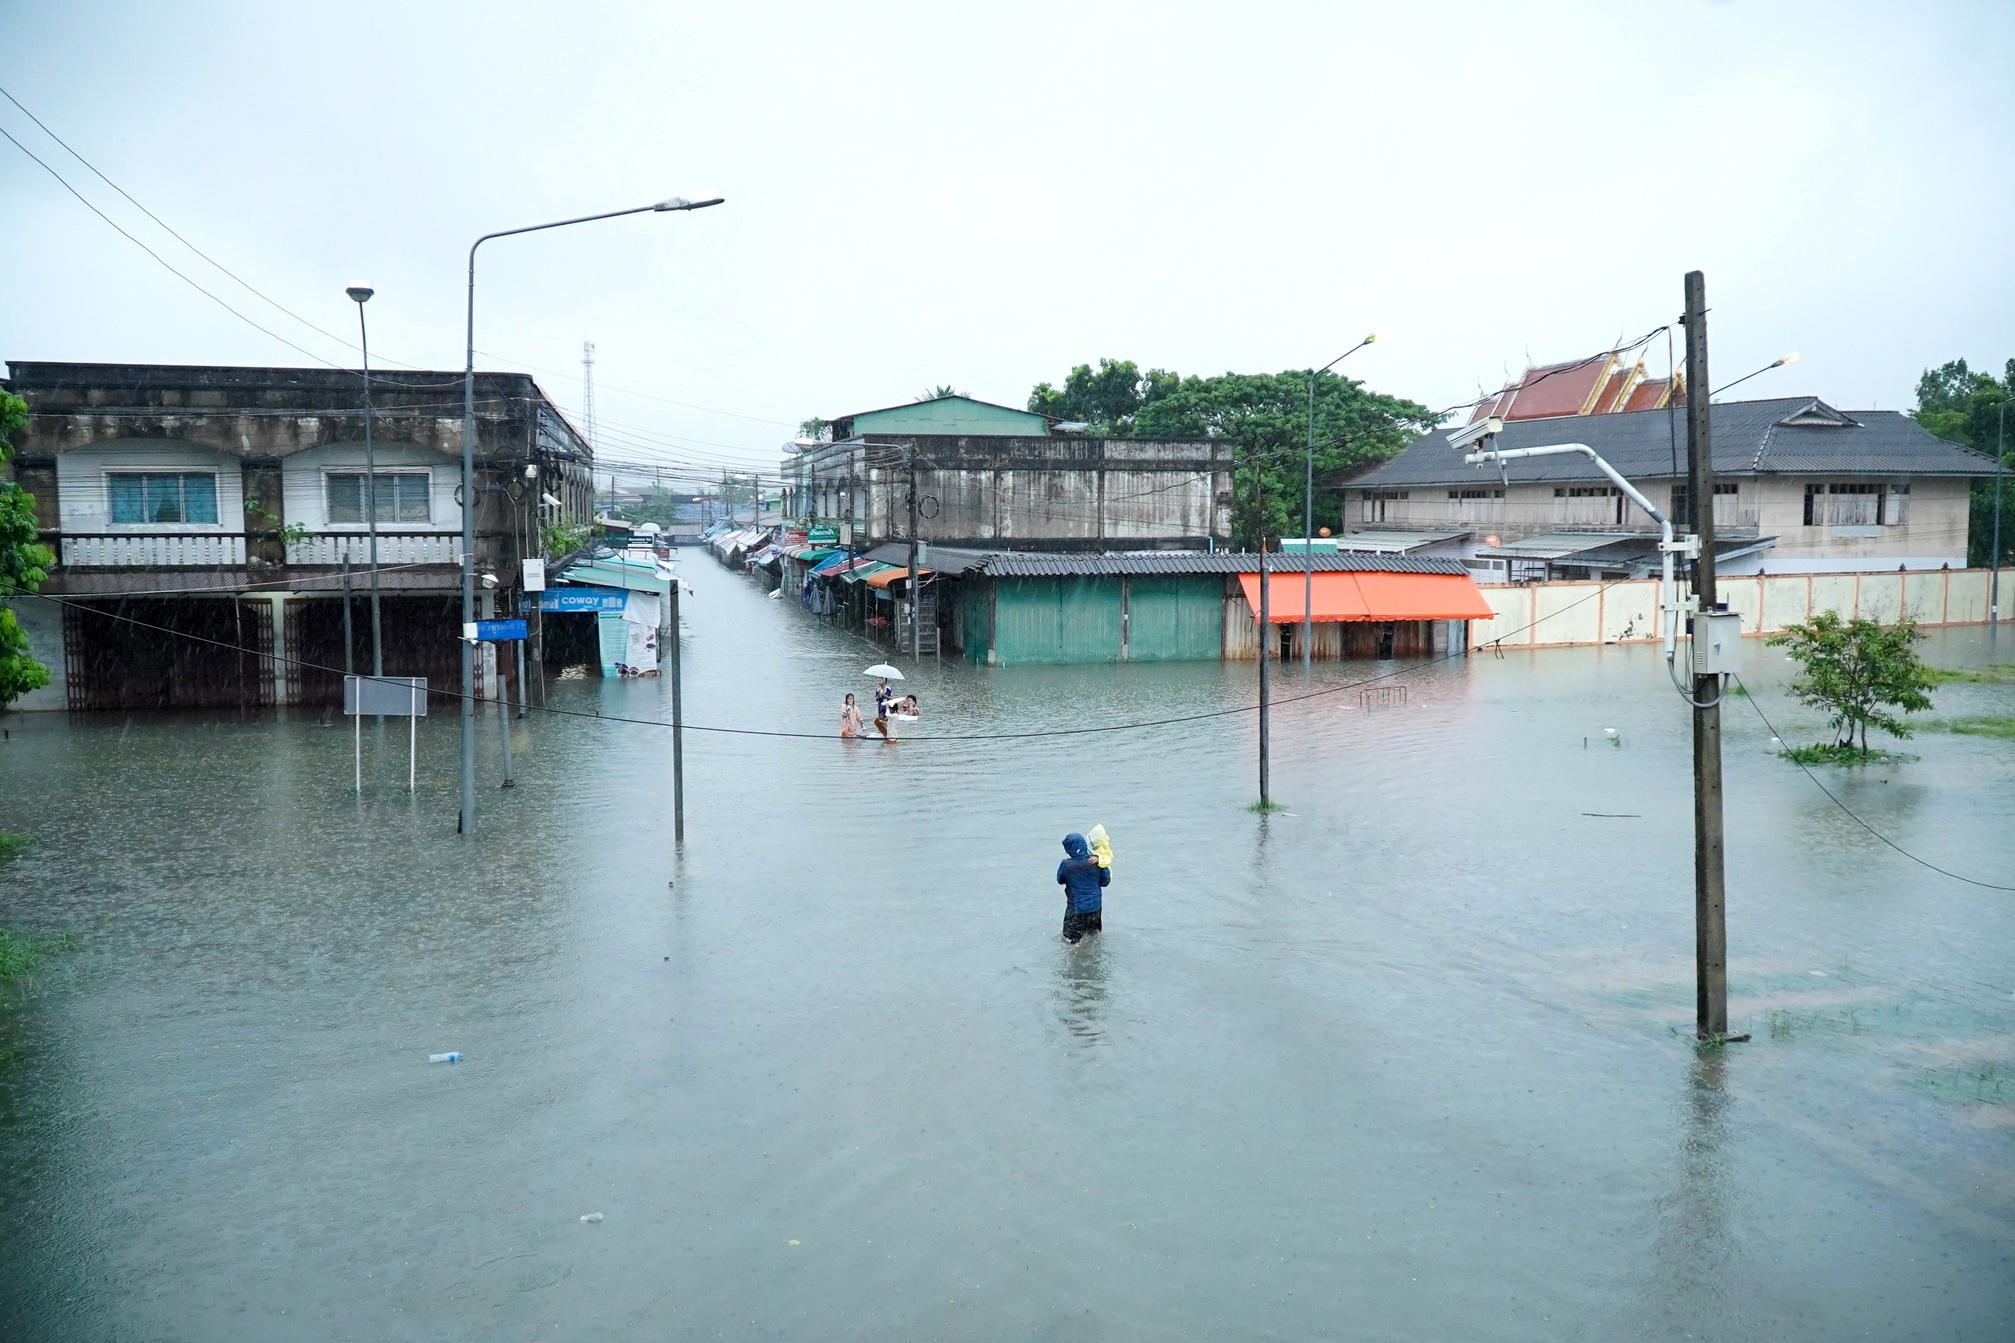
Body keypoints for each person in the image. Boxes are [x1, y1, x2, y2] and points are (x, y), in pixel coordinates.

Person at [1056, 832, 1109, 943]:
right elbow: (1105, 881)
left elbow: (1060, 880)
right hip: (1095, 908)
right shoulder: (1096, 861)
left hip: (1076, 910)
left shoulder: (1066, 865)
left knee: (1070, 942)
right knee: (1094, 938)